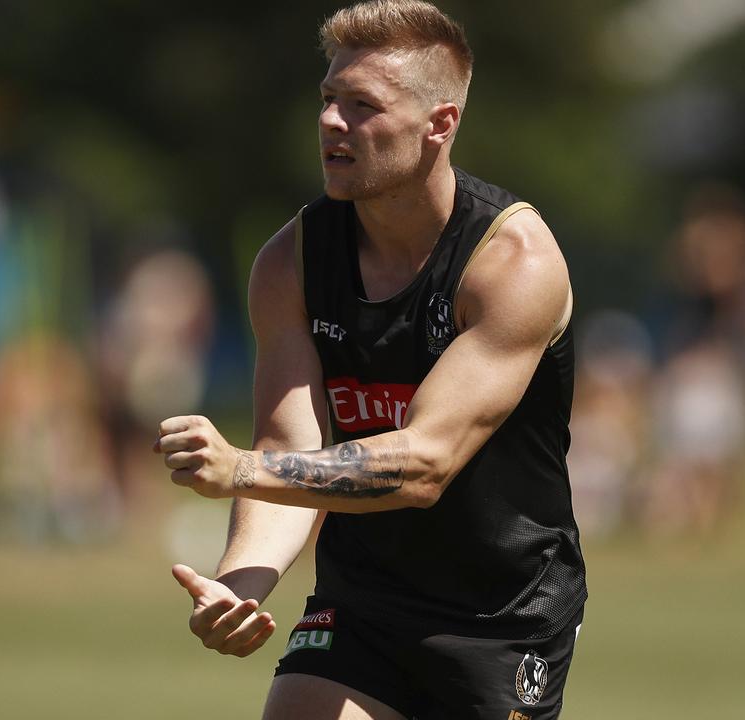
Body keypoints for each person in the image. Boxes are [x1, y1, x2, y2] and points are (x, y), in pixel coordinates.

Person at [153, 1, 587, 718]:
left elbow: (423, 464)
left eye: (362, 106)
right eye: (328, 99)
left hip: (502, 615)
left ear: (438, 125)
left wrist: (237, 468)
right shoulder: (290, 262)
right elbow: (290, 446)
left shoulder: (511, 262)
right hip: (362, 601)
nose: (331, 122)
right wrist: (238, 586)